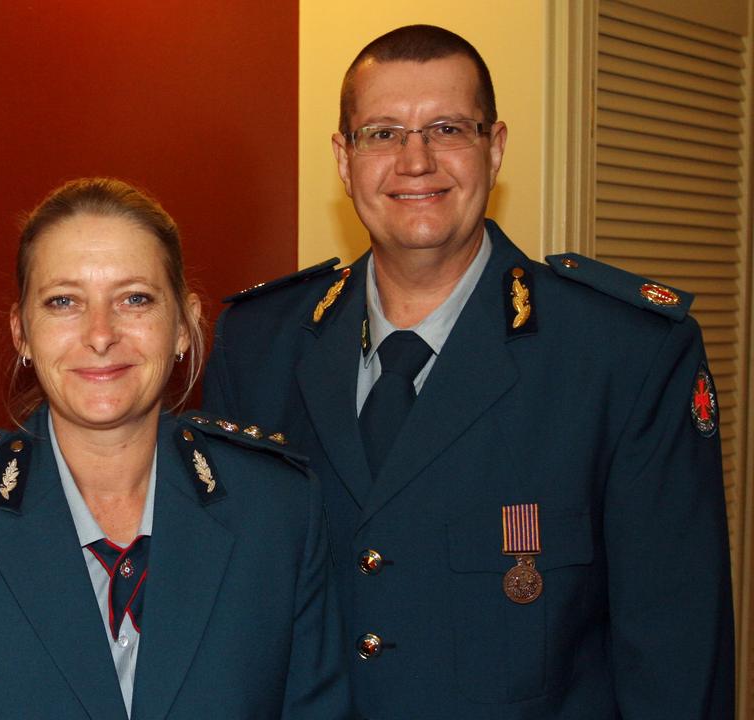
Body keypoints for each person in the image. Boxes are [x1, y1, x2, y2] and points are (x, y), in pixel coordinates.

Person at [203, 24, 733, 719]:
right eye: (382, 133)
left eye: (447, 127)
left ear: (496, 147)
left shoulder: (624, 357)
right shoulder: (259, 345)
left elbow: (675, 661)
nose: (414, 161)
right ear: (344, 157)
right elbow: (223, 625)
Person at [0, 178, 347, 719]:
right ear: (22, 334)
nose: (101, 334)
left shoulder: (278, 511)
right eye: (64, 302)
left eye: (135, 299)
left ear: (183, 324)